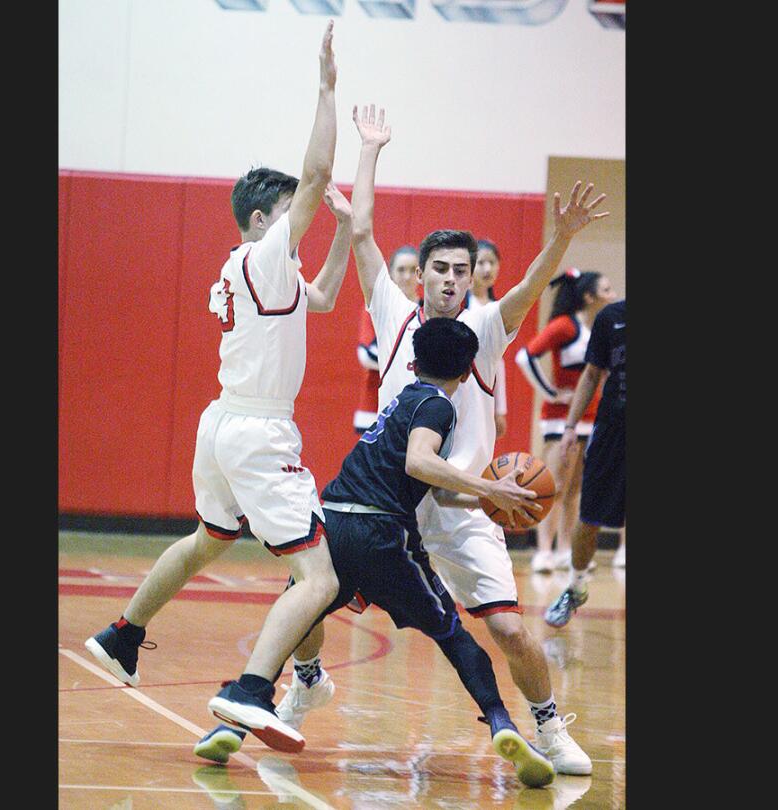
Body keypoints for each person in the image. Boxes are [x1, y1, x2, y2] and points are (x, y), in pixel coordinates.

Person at [270, 103, 609, 776]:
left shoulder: (486, 326)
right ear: (420, 275)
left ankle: (548, 726)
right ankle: (306, 678)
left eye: (462, 268)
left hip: (461, 514)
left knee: (510, 629)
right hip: (391, 513)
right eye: (440, 268)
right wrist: (371, 149)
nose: (452, 278)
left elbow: (529, 287)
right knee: (304, 587)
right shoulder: (393, 313)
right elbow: (361, 230)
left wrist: (562, 240)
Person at [85, 24, 347, 753]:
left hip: (222, 425)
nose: (305, 222)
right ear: (261, 221)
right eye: (294, 216)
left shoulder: (254, 271)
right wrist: (326, 90)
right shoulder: (265, 255)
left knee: (208, 541)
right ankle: (254, 690)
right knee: (319, 573)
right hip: (260, 432)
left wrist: (353, 235)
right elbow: (318, 178)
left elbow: (321, 296)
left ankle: (124, 632)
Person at [202, 318, 556, 788]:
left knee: (299, 616)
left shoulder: (403, 400)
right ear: (469, 372)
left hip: (333, 519)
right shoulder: (438, 407)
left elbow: (433, 483)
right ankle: (502, 723)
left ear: (413, 361)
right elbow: (419, 462)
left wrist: (489, 499)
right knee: (452, 634)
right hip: (380, 531)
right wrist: (491, 485)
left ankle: (234, 722)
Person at [514, 269, 617, 574]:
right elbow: (525, 357)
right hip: (561, 421)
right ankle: (543, 551)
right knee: (554, 486)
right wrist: (549, 392)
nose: (612, 295)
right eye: (607, 289)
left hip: (591, 420)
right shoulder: (564, 325)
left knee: (575, 491)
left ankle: (564, 551)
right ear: (589, 297)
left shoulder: (598, 328)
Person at [544, 297, 626, 628]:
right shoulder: (612, 318)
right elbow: (591, 374)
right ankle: (575, 588)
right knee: (589, 518)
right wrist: (569, 427)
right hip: (611, 433)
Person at [353, 246, 419, 434]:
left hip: (415, 406)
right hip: (374, 405)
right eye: (401, 270)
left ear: (420, 273)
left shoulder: (428, 311)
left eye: (412, 270)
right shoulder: (376, 307)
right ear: (390, 273)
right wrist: (412, 362)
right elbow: (366, 355)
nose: (407, 276)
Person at [469, 240, 509, 440]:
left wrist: (500, 408)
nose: (487, 269)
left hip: (485, 392)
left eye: (492, 263)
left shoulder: (499, 307)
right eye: (481, 263)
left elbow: (497, 362)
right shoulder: (459, 306)